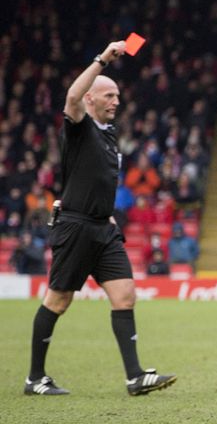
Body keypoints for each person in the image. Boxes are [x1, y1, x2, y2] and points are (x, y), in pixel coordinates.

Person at [24, 41, 176, 396]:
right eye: (108, 95)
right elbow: (71, 98)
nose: (116, 102)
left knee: (125, 295)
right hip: (76, 226)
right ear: (90, 100)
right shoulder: (79, 126)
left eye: (117, 96)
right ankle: (34, 378)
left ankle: (135, 376)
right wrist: (103, 60)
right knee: (58, 301)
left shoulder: (110, 136)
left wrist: (106, 215)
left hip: (103, 228)